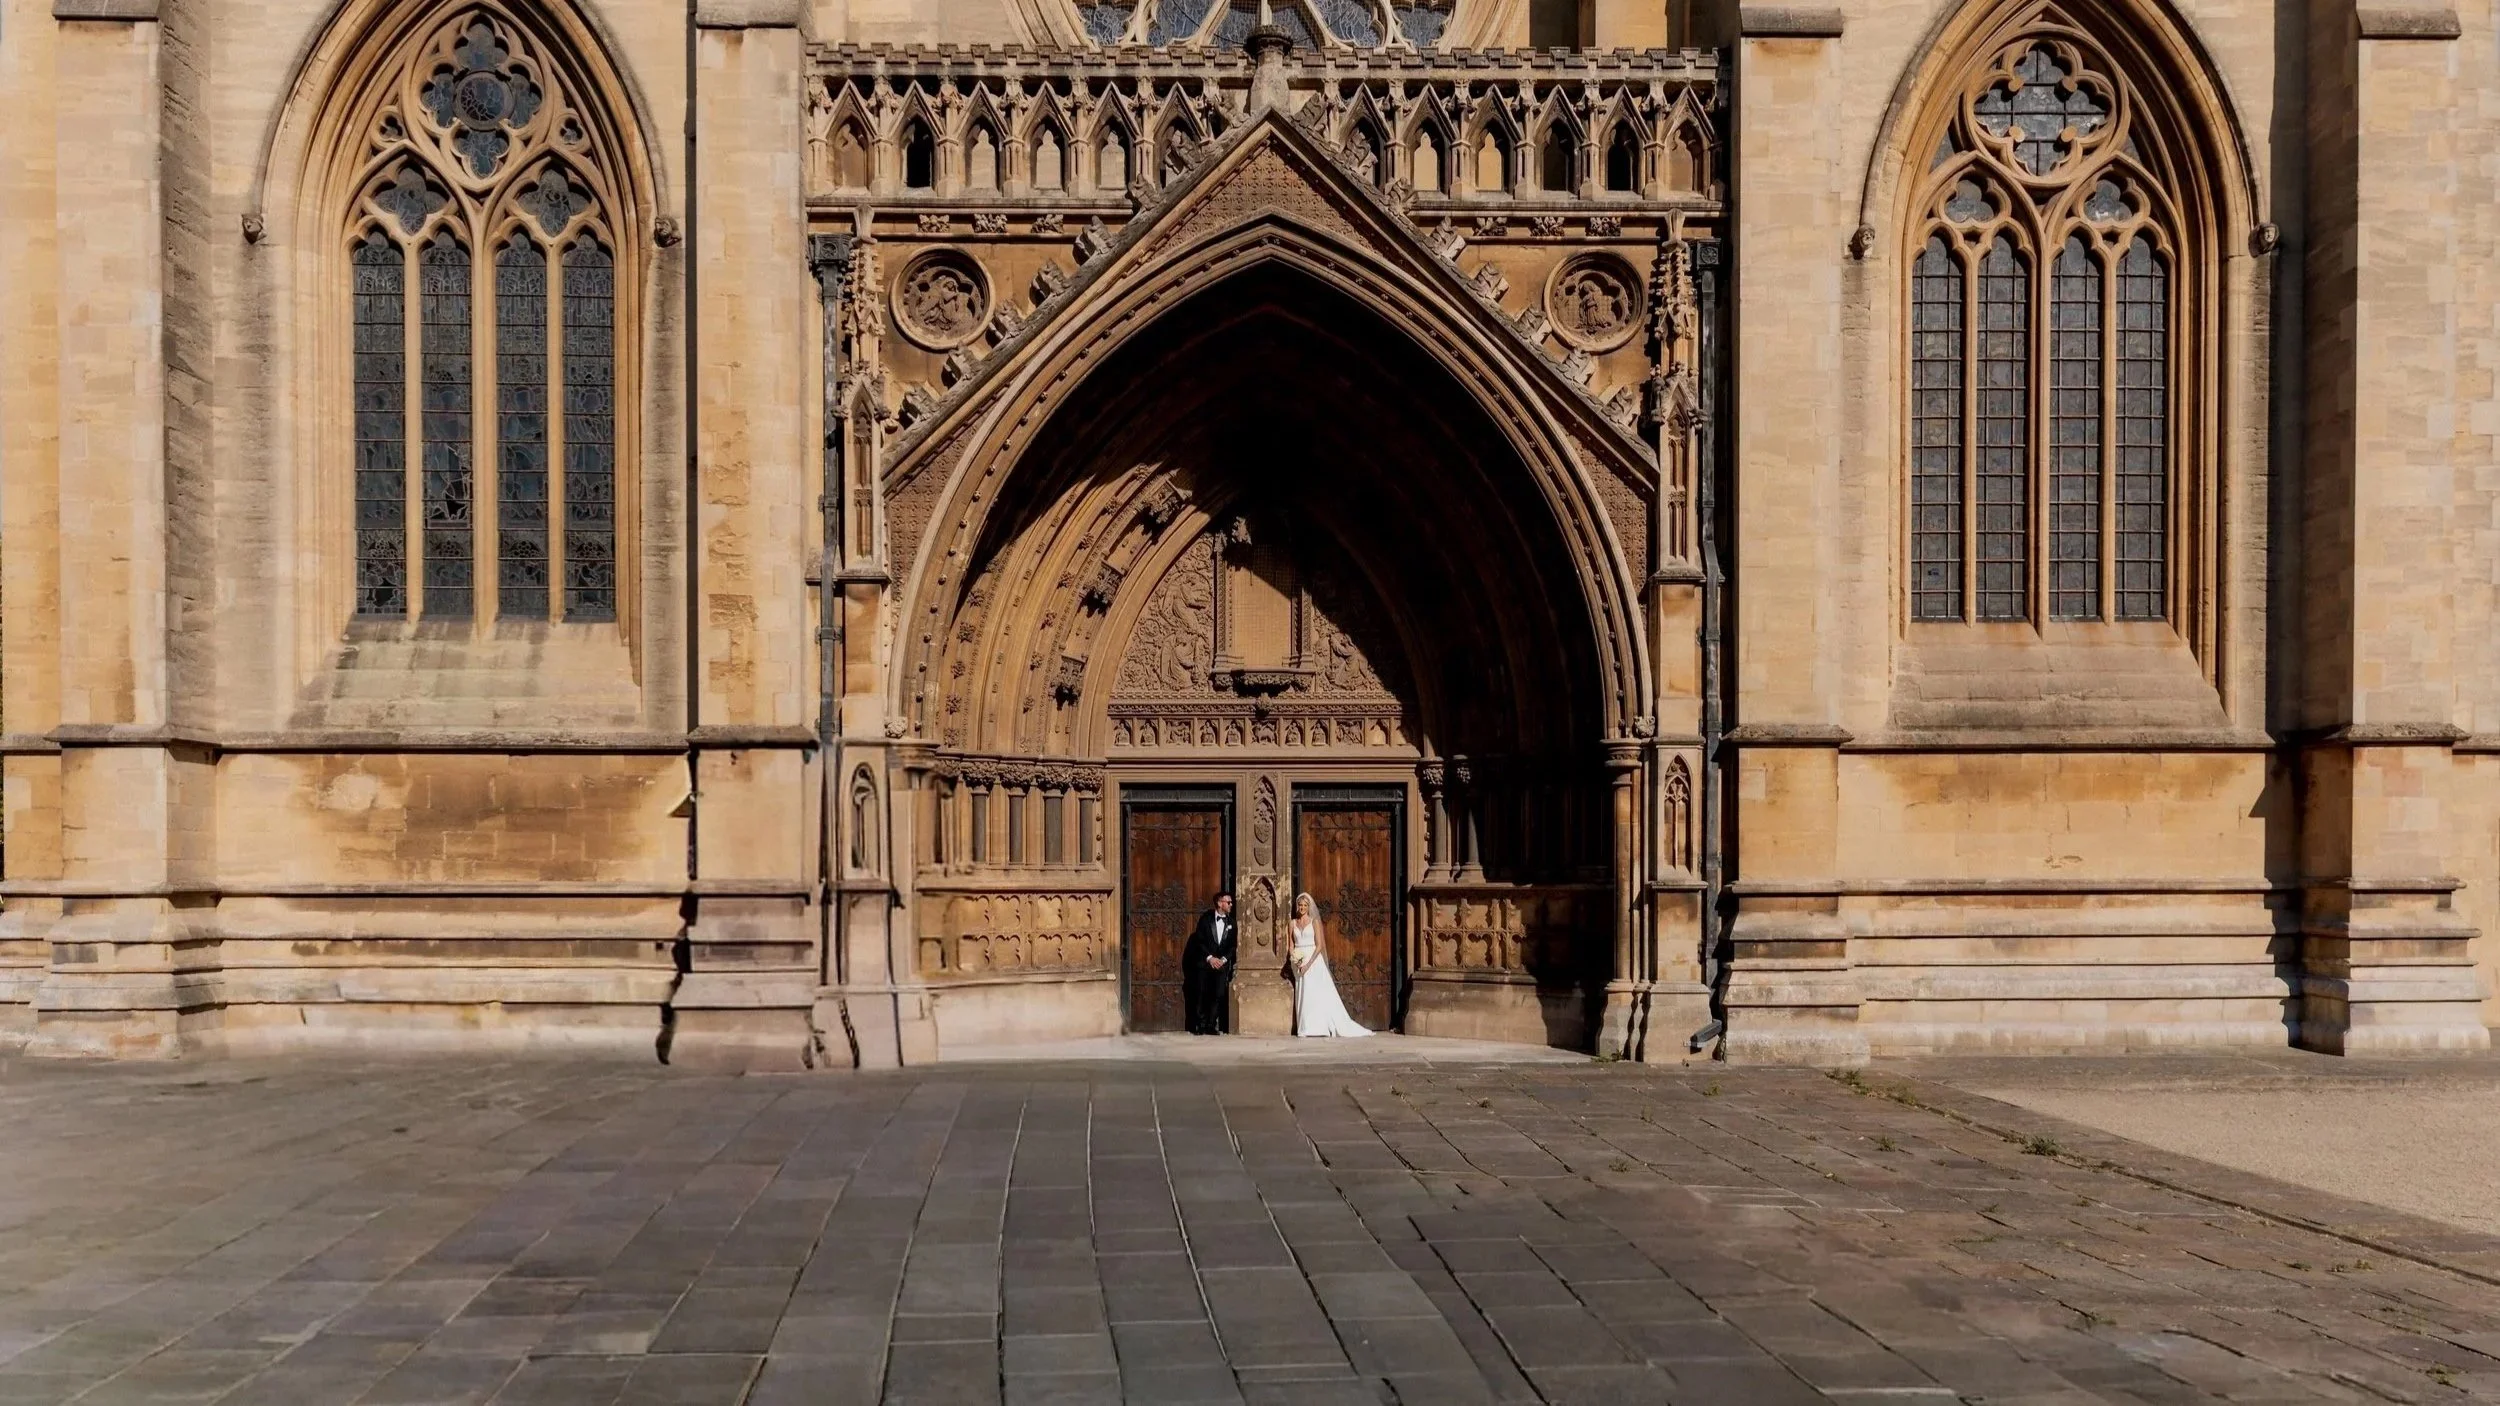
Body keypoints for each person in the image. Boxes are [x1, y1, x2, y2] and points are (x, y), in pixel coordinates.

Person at [1287, 892, 1372, 1039]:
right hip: (1299, 960)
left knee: (1316, 993)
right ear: (1297, 906)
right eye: (1300, 905)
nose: (1302, 908)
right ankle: (1305, 1027)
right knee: (1303, 994)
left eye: (1305, 905)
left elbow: (1319, 945)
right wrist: (1296, 961)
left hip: (1313, 960)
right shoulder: (1292, 923)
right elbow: (1291, 945)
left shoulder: (1314, 922)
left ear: (1308, 907)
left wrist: (1308, 964)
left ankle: (1319, 1026)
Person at [1181, 891, 1236, 1035]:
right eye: (1228, 902)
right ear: (1219, 903)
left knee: (1217, 994)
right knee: (1201, 993)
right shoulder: (1205, 919)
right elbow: (1199, 941)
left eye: (1231, 902)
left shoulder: (1232, 923)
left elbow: (1232, 946)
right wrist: (1210, 958)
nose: (1231, 905)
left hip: (1221, 965)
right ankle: (1199, 1025)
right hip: (1205, 964)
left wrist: (1223, 960)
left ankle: (1211, 1025)